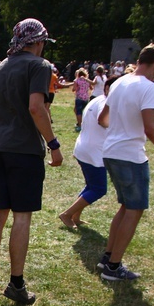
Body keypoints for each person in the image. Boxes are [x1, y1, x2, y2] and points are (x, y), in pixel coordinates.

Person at [0, 18, 63, 304]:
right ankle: (16, 283)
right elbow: (36, 108)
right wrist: (53, 144)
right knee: (21, 215)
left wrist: (6, 113)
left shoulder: (0, 67)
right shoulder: (39, 66)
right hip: (24, 150)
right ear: (37, 42)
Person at [96, 44, 154, 281]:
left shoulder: (119, 83)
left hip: (111, 151)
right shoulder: (148, 87)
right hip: (130, 155)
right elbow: (151, 127)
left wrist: (118, 129)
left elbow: (102, 118)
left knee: (126, 206)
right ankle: (113, 267)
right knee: (134, 209)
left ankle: (108, 258)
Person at [58, 77, 117, 229]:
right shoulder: (106, 104)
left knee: (91, 185)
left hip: (85, 148)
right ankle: (67, 214)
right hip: (94, 152)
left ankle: (75, 216)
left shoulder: (96, 100)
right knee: (99, 189)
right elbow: (103, 122)